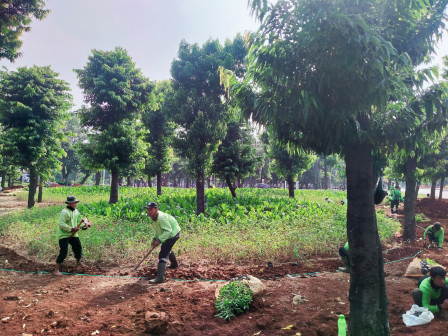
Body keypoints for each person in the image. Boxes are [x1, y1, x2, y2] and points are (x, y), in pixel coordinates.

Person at [145, 202, 181, 284]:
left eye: (150, 209)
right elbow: (159, 230)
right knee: (167, 249)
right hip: (169, 234)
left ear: (156, 209)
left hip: (173, 234)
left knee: (163, 254)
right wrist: (155, 238)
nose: (148, 211)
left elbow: (168, 231)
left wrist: (159, 240)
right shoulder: (154, 217)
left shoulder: (161, 218)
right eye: (147, 209)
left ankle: (160, 277)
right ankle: (174, 264)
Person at [53, 196, 90, 276]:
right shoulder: (64, 212)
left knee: (78, 247)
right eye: (74, 202)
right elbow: (61, 224)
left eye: (76, 202)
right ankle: (56, 270)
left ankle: (78, 263)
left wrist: (84, 226)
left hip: (73, 234)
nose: (75, 204)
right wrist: (71, 229)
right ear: (69, 203)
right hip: (64, 235)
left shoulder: (76, 211)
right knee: (64, 251)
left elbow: (78, 222)